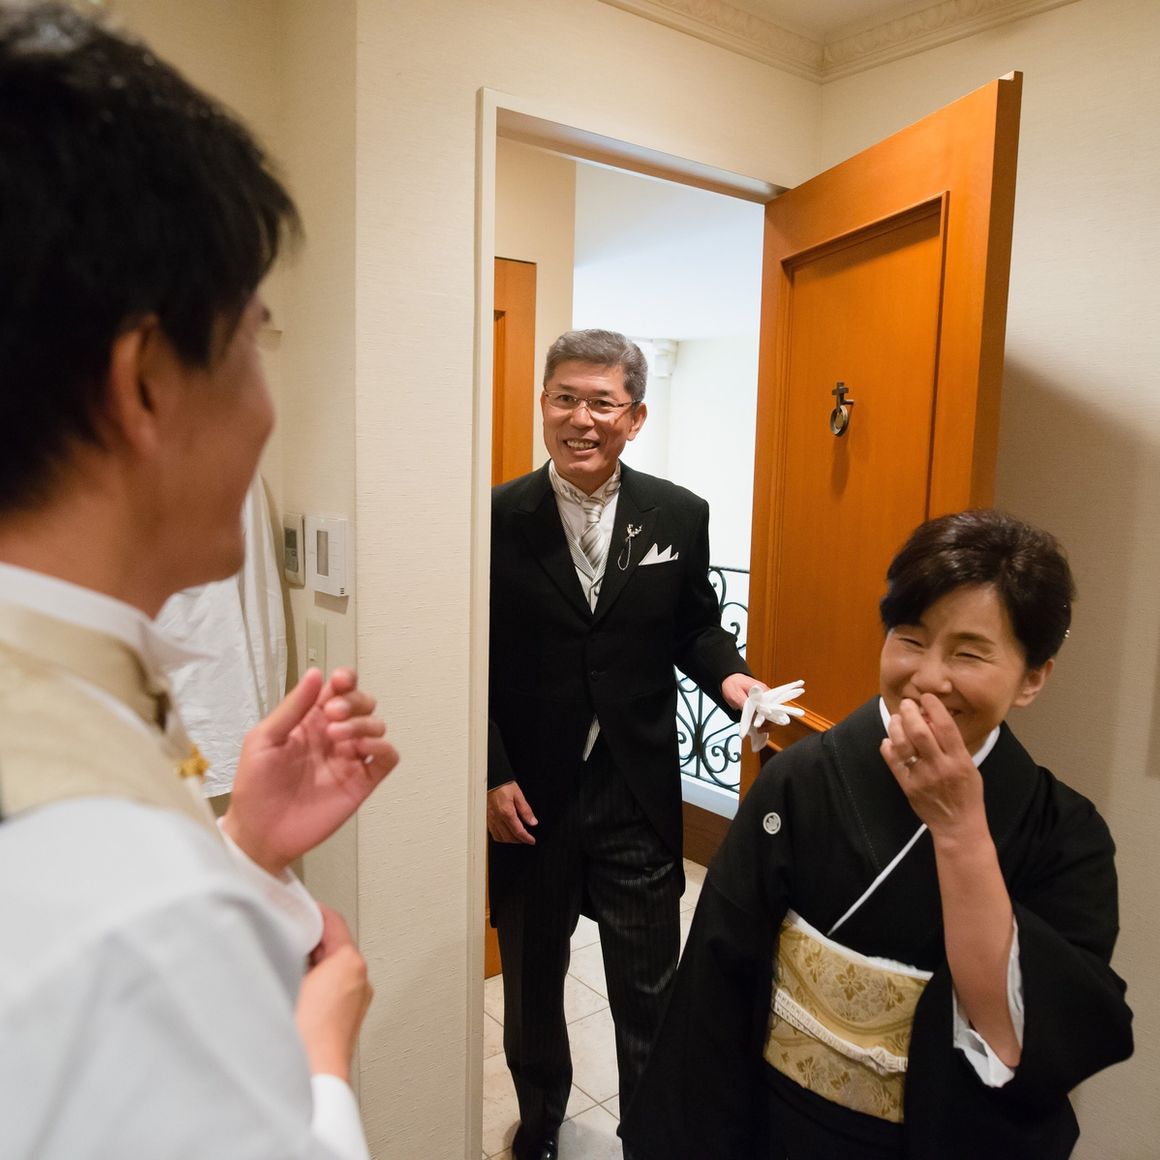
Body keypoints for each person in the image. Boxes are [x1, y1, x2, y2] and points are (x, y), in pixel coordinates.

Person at [0, 6, 397, 1157]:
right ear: (146, 384)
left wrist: (245, 847)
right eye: (254, 339)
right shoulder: (140, 910)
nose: (267, 408)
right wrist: (318, 1060)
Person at [620, 509, 1134, 1159]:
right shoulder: (800, 780)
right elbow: (714, 990)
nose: (928, 676)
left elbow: (1026, 1042)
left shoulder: (1067, 837)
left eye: (968, 652)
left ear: (1033, 677)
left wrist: (960, 831)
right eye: (910, 638)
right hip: (781, 1131)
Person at [487, 328, 770, 1160]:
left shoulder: (678, 513)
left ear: (635, 416)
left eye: (602, 403)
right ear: (544, 404)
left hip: (635, 790)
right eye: (565, 399)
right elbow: (470, 657)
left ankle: (652, 1137)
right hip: (528, 797)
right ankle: (541, 1123)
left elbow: (695, 628)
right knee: (532, 989)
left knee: (652, 995)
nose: (582, 419)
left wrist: (732, 680)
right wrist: (490, 774)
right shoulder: (493, 517)